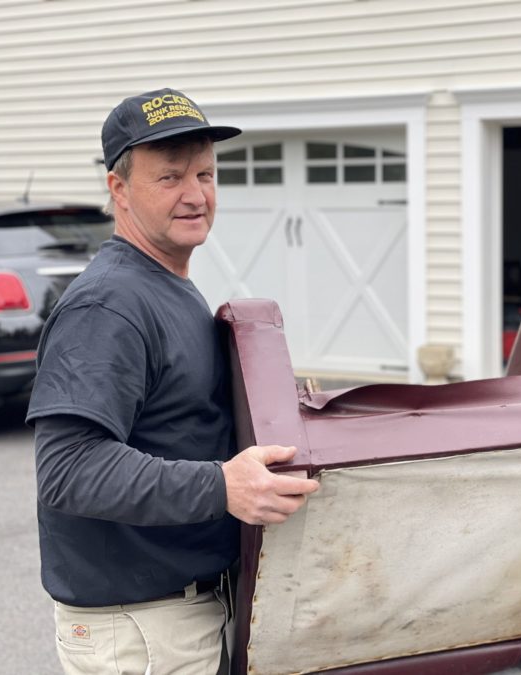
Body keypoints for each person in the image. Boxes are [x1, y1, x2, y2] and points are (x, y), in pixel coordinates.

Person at [26, 88, 320, 674]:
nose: (195, 195)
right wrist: (222, 487)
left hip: (179, 616)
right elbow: (68, 469)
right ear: (119, 189)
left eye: (206, 174)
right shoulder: (109, 305)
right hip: (141, 629)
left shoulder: (163, 286)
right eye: (170, 178)